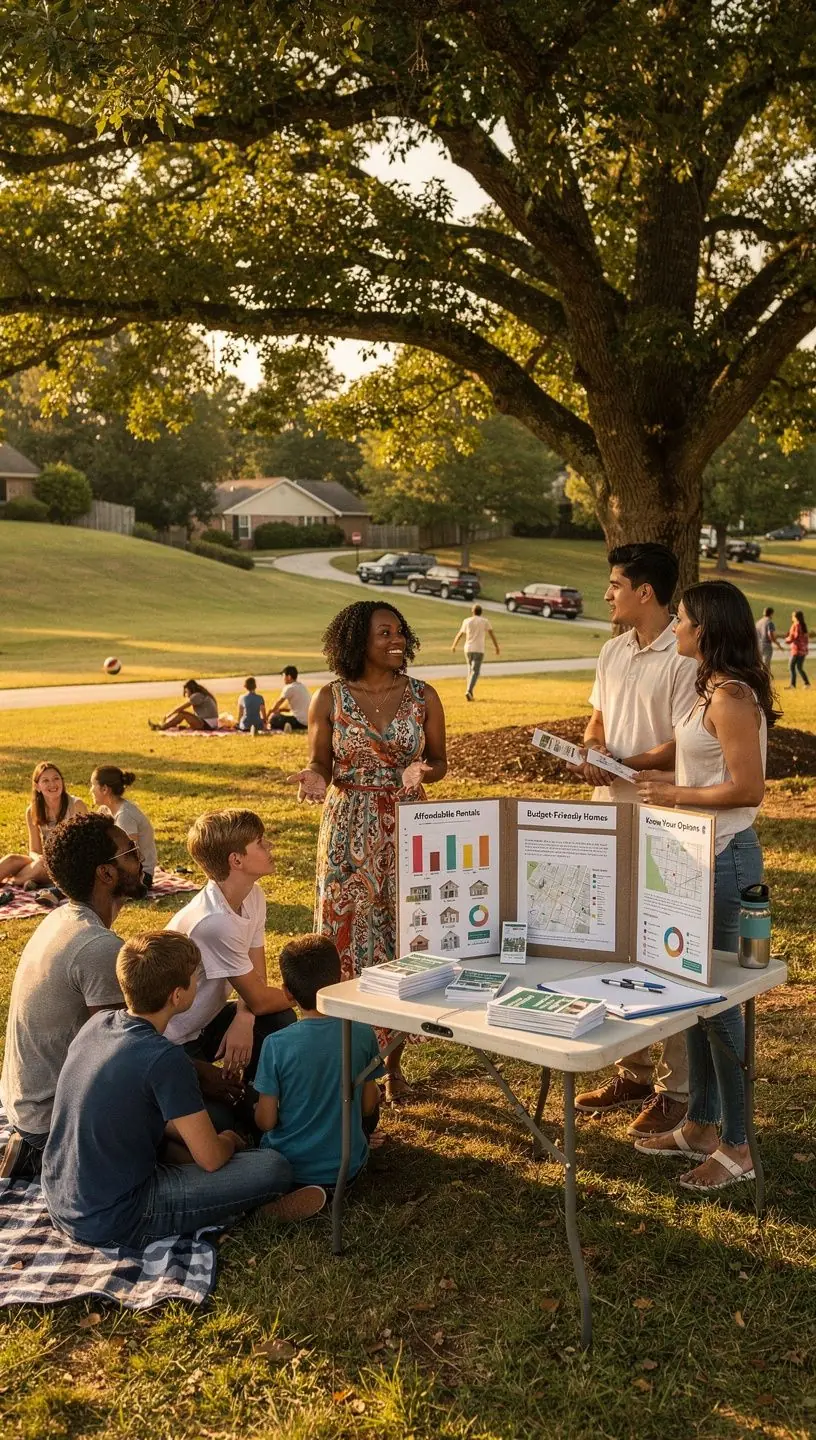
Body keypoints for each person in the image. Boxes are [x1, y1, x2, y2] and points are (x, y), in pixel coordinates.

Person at [41, 932, 325, 1248]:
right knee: (274, 1167)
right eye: (195, 978)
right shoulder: (164, 1058)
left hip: (60, 1195)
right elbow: (212, 1159)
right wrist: (230, 1141)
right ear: (177, 996)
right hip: (115, 1217)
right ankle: (247, 1213)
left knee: (191, 1141)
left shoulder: (98, 1024)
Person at [633, 579, 777, 1193]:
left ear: (708, 629)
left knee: (720, 1008)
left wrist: (676, 795)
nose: (677, 628)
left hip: (726, 859)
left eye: (685, 619)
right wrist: (631, 762)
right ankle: (699, 1124)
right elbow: (688, 754)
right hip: (690, 858)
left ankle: (738, 1145)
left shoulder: (733, 697)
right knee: (692, 993)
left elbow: (748, 790)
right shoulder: (706, 689)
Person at [288, 600, 447, 1103]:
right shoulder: (329, 699)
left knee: (404, 937)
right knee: (348, 939)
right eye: (384, 633)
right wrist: (314, 776)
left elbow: (440, 760)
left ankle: (394, 1065)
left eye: (399, 632)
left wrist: (423, 772)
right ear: (358, 641)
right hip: (348, 826)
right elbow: (320, 759)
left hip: (408, 825)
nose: (396, 640)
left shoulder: (424, 696)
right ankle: (356, 1065)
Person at [569, 543, 699, 1136]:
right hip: (606, 814)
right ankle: (634, 1071)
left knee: (666, 949)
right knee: (612, 938)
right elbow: (596, 717)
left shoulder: (686, 654)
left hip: (662, 815)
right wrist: (595, 748)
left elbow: (683, 743)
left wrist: (621, 760)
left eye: (616, 584)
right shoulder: (611, 649)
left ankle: (680, 1090)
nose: (607, 593)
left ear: (645, 592)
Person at [0, 813, 147, 1180]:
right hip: (49, 1120)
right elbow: (120, 1058)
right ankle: (45, 1158)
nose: (140, 856)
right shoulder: (97, 946)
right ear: (106, 874)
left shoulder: (63, 917)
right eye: (130, 851)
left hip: (25, 1103)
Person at [164, 810, 297, 1127]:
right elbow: (261, 996)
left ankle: (254, 1094)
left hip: (206, 1023)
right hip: (172, 1043)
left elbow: (258, 986)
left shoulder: (253, 895)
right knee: (229, 1122)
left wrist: (244, 1016)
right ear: (236, 860)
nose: (270, 848)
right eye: (260, 843)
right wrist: (319, 989)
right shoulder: (215, 921)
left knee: (278, 1020)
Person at [254, 934, 382, 1189]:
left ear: (287, 993)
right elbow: (369, 1105)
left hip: (289, 1167)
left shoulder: (276, 1044)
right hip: (349, 1168)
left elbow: (266, 1122)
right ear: (342, 979)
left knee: (255, 1102)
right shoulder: (363, 1032)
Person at [0, 762, 88, 890]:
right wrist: (39, 858)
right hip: (45, 860)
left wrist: (47, 861)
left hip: (70, 863)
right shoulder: (32, 811)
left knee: (41, 866)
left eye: (56, 778)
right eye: (46, 780)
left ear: (62, 782)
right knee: (11, 860)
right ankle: (31, 880)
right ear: (37, 786)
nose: (52, 784)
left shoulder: (76, 805)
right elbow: (34, 850)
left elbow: (84, 846)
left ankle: (13, 882)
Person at [90, 766, 158, 888]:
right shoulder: (105, 810)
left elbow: (129, 857)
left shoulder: (125, 816)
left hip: (139, 876)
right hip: (120, 868)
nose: (91, 790)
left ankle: (55, 892)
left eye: (93, 785)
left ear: (105, 789)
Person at [451, 604, 500, 701]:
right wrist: (496, 647)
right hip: (479, 649)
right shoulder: (484, 621)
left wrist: (454, 645)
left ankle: (470, 692)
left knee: (470, 671)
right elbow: (491, 634)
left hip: (468, 648)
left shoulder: (467, 621)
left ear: (472, 611)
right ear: (481, 612)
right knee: (475, 672)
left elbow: (460, 634)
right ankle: (469, 691)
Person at [149, 680, 220, 731]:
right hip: (210, 724)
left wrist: (168, 714)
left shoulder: (197, 696)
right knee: (183, 714)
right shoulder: (202, 694)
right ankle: (164, 725)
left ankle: (161, 727)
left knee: (182, 714)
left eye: (186, 691)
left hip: (207, 724)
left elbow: (181, 708)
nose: (186, 694)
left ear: (191, 689)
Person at [267, 666, 311, 732]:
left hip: (299, 721)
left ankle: (288, 726)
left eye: (283, 676)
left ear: (289, 677)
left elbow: (277, 703)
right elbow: (293, 708)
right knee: (278, 716)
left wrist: (267, 716)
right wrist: (280, 710)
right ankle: (288, 726)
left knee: (274, 719)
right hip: (308, 723)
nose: (283, 678)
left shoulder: (289, 688)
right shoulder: (302, 686)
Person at [783, 609, 810, 689]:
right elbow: (805, 638)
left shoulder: (796, 625)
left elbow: (794, 637)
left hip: (796, 650)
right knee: (799, 667)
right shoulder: (803, 625)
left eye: (793, 616)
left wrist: (786, 640)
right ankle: (806, 683)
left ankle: (792, 685)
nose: (792, 617)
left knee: (791, 666)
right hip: (803, 650)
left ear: (796, 617)